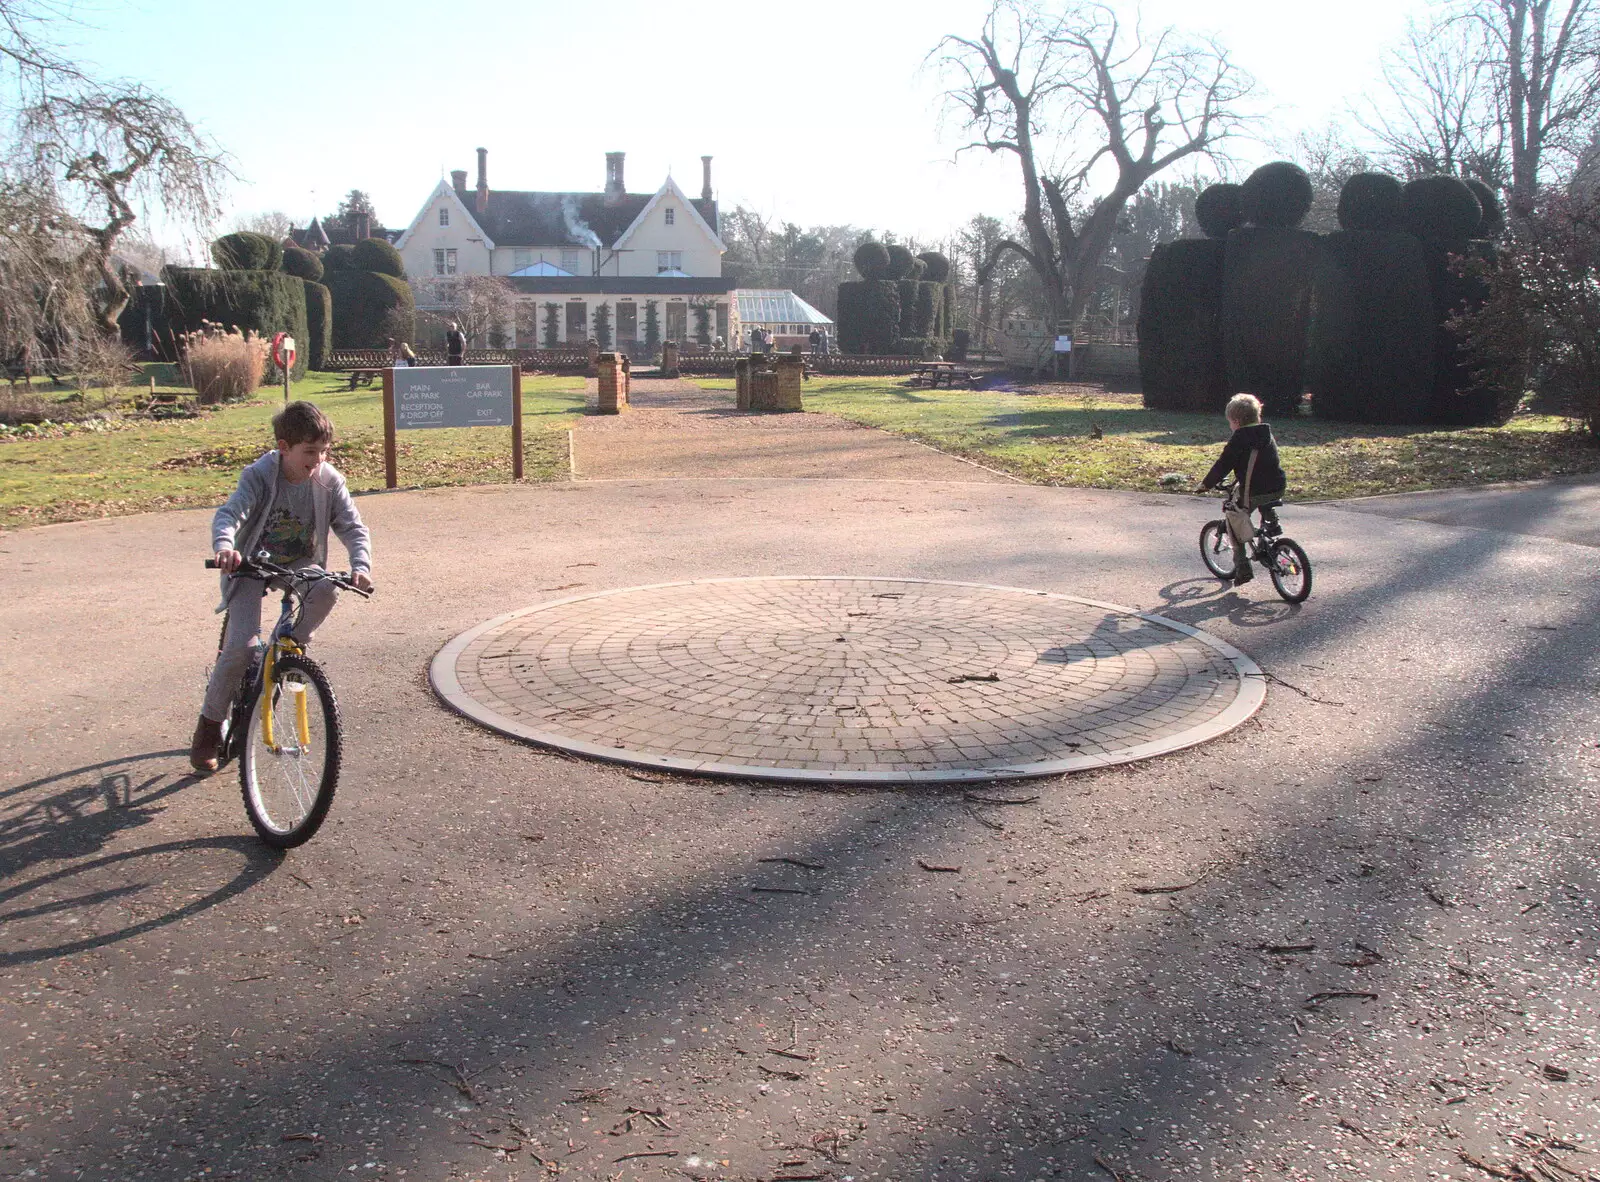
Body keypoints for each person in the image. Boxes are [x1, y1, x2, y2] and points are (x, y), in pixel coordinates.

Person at [189, 401, 374, 773]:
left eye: (324, 452)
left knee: (326, 588)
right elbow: (231, 514)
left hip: (298, 563)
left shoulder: (328, 480)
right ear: (284, 447)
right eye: (310, 452)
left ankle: (290, 646)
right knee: (241, 648)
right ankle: (209, 727)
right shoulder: (259, 475)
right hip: (250, 564)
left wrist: (361, 565)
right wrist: (225, 547)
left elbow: (353, 528)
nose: (318, 460)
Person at [1198, 393, 1286, 586]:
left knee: (1233, 517)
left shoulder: (1240, 438)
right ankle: (1271, 525)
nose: (1230, 426)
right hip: (1278, 485)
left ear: (1236, 421)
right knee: (1264, 499)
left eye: (1230, 422)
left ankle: (1242, 567)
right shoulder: (1266, 433)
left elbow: (1223, 464)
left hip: (1254, 490)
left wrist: (1206, 484)